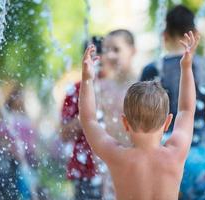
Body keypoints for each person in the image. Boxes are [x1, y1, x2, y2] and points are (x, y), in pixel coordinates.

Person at [79, 31, 198, 199]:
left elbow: (89, 120)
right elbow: (186, 110)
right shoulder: (175, 153)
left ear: (125, 123)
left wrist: (86, 79)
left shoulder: (117, 156)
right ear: (167, 122)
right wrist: (186, 68)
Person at [140, 5, 205, 199]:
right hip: (200, 156)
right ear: (195, 34)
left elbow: (143, 121)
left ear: (165, 35)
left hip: (163, 155)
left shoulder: (152, 70)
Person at [60, 36, 104, 200]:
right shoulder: (75, 90)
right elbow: (63, 134)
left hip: (114, 166)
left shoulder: (114, 88)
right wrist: (86, 114)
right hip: (84, 170)